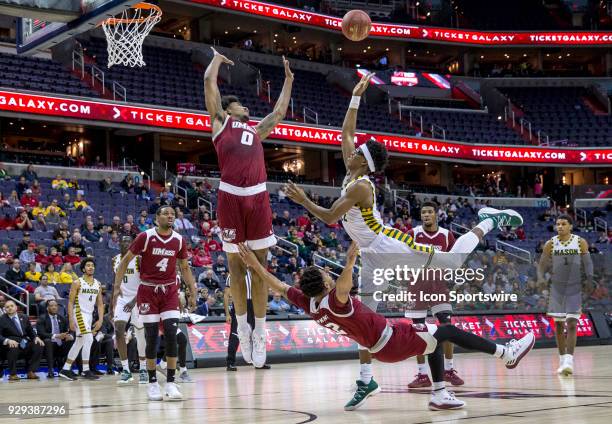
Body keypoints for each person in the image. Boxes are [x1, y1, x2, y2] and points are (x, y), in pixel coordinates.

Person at [284, 72, 524, 411]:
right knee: (361, 313)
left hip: (388, 246)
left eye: (355, 151)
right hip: (368, 254)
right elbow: (345, 133)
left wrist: (302, 200)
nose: (347, 150)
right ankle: (367, 379)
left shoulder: (360, 186)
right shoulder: (353, 170)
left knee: (452, 263)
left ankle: (488, 221)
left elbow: (328, 217)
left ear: (361, 160)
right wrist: (354, 98)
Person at [239, 242, 535, 410]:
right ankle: (504, 353)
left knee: (432, 337)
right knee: (447, 332)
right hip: (391, 340)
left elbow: (277, 285)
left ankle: (439, 393)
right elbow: (344, 283)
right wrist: (351, 257)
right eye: (325, 274)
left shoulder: (311, 305)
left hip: (384, 345)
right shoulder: (335, 300)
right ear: (326, 282)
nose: (329, 275)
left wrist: (253, 264)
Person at [204, 47, 294, 368]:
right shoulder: (220, 124)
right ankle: (242, 328)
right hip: (230, 197)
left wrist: (288, 80)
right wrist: (216, 60)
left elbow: (280, 113)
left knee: (261, 270)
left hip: (258, 197)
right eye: (240, 104)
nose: (246, 106)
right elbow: (209, 84)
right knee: (236, 269)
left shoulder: (256, 130)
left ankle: (260, 332)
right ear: (229, 110)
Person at [114, 205, 197, 402]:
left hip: (169, 291)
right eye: (166, 213)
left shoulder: (178, 239)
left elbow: (184, 266)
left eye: (173, 214)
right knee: (152, 338)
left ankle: (170, 382)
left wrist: (192, 291)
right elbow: (125, 261)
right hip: (148, 290)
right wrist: (117, 286)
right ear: (157, 217)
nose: (170, 216)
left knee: (171, 335)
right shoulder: (145, 237)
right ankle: (152, 383)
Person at [406, 201, 463, 388]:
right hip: (417, 286)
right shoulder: (412, 234)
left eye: (430, 212)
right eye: (423, 212)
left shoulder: (447, 235)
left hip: (439, 286)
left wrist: (456, 278)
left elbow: (456, 259)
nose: (426, 215)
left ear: (436, 214)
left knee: (447, 327)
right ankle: (423, 375)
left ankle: (449, 370)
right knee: (419, 331)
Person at [537, 214, 593, 376]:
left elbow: (588, 262)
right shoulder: (550, 244)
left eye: (563, 224)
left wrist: (590, 278)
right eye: (557, 224)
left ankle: (569, 360)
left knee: (572, 323)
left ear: (570, 226)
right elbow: (541, 265)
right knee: (559, 326)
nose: (560, 226)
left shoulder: (580, 242)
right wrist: (540, 278)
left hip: (574, 287)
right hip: (557, 288)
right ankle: (562, 361)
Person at [59, 258, 104, 381]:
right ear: (83, 269)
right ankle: (85, 370)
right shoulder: (77, 282)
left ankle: (65, 369)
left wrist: (100, 320)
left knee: (79, 341)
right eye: (88, 265)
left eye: (92, 265)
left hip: (89, 315)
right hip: (79, 313)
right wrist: (70, 320)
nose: (91, 267)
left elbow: (100, 304)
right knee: (89, 339)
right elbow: (70, 302)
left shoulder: (98, 284)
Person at [112, 236, 148, 385]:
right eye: (124, 240)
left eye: (129, 241)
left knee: (140, 334)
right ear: (120, 243)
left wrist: (134, 301)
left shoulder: (139, 259)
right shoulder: (115, 260)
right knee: (119, 330)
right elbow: (116, 283)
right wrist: (111, 304)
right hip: (122, 299)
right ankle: (126, 370)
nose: (126, 243)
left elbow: (145, 282)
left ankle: (144, 369)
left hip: (138, 299)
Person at [223, 272, 270, 371]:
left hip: (254, 304)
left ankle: (259, 363)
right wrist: (227, 313)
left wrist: (264, 304)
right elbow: (226, 295)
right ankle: (230, 362)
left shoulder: (255, 272)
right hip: (240, 304)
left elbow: (262, 290)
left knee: (258, 333)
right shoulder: (233, 274)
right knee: (235, 334)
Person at [0, 300, 45, 380]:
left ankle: (31, 371)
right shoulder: (2, 319)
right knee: (13, 346)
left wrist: (36, 337)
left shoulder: (24, 317)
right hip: (11, 344)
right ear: (5, 310)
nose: (10, 308)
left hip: (24, 342)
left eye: (11, 306)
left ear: (16, 307)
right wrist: (7, 340)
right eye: (7, 307)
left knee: (38, 344)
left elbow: (30, 331)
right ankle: (13, 374)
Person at [36, 299, 74, 378]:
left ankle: (67, 369)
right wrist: (56, 336)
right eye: (51, 306)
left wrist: (69, 336)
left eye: (56, 306)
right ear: (47, 308)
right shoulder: (42, 318)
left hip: (60, 343)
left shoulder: (62, 318)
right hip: (49, 344)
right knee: (48, 341)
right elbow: (41, 333)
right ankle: (51, 370)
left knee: (71, 340)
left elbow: (68, 331)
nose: (54, 307)